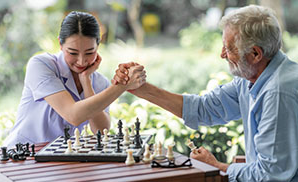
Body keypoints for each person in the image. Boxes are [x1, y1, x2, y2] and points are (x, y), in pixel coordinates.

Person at [113, 5, 298, 182]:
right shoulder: (253, 77)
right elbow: (204, 109)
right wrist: (141, 89)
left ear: (256, 54)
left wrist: (216, 166)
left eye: (229, 48)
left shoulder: (278, 93)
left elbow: (270, 176)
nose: (222, 54)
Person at [3, 11, 146, 147]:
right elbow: (73, 115)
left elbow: (101, 131)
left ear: (98, 45)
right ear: (60, 44)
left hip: (59, 161)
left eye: (90, 52)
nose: (82, 61)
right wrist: (121, 86)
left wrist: (86, 82)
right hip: (21, 156)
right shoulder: (41, 65)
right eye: (73, 52)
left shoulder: (100, 82)